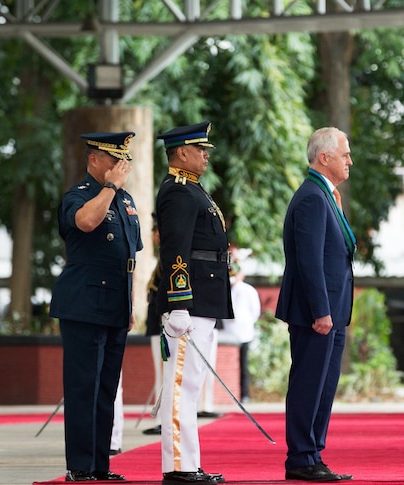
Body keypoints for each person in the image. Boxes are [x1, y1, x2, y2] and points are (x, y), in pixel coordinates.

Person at [49, 131, 142, 482]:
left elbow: (130, 257)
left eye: (124, 160)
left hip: (115, 305)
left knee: (106, 389)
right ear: (94, 160)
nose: (121, 166)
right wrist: (111, 188)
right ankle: (80, 467)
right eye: (113, 159)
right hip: (84, 305)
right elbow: (87, 222)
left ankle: (101, 465)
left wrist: (130, 303)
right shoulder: (81, 196)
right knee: (83, 388)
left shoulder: (125, 200)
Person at [155, 121, 233, 485]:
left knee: (191, 384)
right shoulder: (179, 191)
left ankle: (188, 463)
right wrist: (180, 301)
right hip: (192, 300)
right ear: (181, 153)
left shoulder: (194, 189)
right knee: (182, 385)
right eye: (200, 149)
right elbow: (176, 250)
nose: (206, 154)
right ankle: (178, 467)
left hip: (206, 296)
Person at [276, 127, 356, 482]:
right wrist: (320, 310)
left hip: (333, 310)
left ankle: (313, 453)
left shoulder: (326, 195)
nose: (350, 160)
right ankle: (301, 457)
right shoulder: (311, 196)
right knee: (309, 382)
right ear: (324, 157)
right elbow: (308, 260)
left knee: (324, 385)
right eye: (345, 154)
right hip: (317, 312)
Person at [221, 258, 261, 403]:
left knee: (243, 364)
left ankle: (244, 394)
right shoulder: (225, 290)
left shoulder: (249, 290)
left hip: (244, 331)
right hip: (228, 331)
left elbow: (255, 311)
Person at [142, 220, 163, 436]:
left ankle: (163, 417)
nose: (154, 236)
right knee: (161, 371)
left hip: (161, 318)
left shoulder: (167, 256)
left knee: (164, 370)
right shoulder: (160, 257)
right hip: (156, 317)